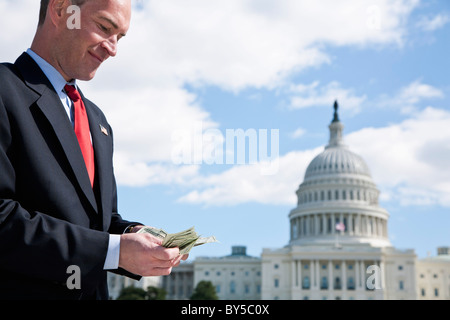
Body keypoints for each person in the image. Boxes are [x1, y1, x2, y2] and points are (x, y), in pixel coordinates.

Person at [0, 0, 187, 300]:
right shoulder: (5, 90)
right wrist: (113, 251)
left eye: (120, 37)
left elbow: (101, 221)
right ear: (61, 11)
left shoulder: (97, 120)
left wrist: (134, 236)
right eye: (104, 27)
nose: (113, 48)